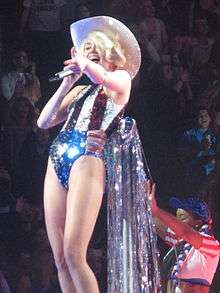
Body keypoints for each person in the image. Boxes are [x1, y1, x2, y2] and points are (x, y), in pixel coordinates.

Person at [37, 16, 143, 292]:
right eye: (87, 47)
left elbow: (105, 77)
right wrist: (67, 83)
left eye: (97, 46)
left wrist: (87, 65)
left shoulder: (119, 81)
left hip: (86, 159)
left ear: (110, 51)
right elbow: (44, 122)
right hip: (57, 156)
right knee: (59, 258)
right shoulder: (81, 90)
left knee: (74, 253)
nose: (91, 49)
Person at [147, 181, 220, 292]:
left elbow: (187, 233)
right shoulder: (180, 243)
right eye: (176, 217)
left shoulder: (211, 246)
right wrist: (145, 203)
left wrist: (157, 210)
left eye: (182, 217)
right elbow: (155, 220)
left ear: (198, 222)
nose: (177, 221)